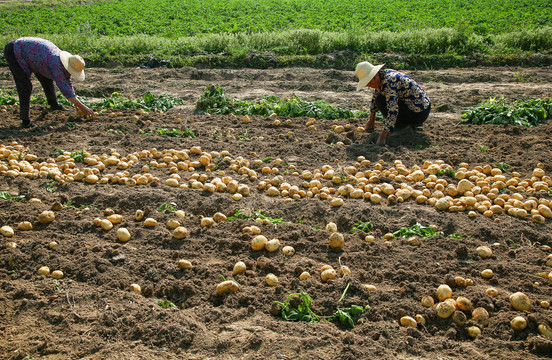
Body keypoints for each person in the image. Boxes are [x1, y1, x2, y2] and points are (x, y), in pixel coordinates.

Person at [3, 37, 94, 128]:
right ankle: (25, 120)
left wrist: (76, 102)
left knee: (46, 79)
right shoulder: (56, 65)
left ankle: (54, 105)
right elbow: (64, 88)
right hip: (15, 50)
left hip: (36, 56)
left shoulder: (62, 63)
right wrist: (81, 106)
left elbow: (67, 82)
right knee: (25, 86)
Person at [355, 61, 431, 146]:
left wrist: (382, 136)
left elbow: (393, 111)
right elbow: (375, 96)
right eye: (367, 84)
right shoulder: (383, 76)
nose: (370, 85)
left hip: (419, 113)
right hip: (418, 108)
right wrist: (371, 120)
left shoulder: (389, 82)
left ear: (375, 75)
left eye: (370, 82)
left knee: (381, 100)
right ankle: (405, 124)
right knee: (379, 98)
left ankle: (404, 127)